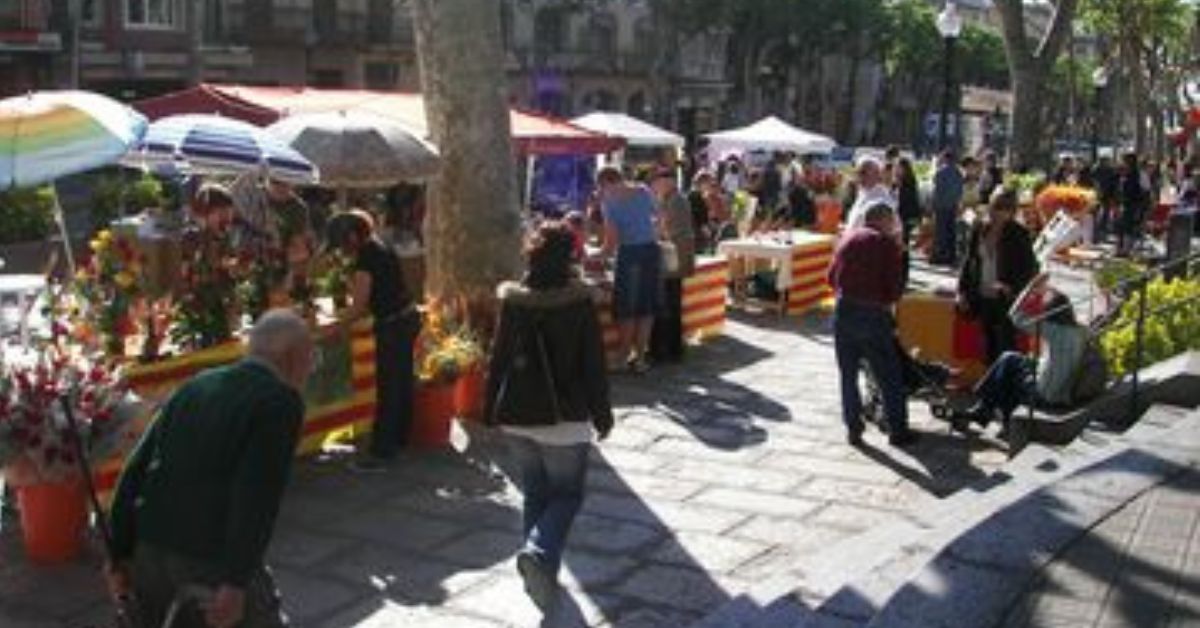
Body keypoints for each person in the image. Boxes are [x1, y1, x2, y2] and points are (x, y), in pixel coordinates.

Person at [108, 309, 314, 628]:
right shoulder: (279, 401)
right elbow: (256, 497)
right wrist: (235, 583)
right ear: (293, 358)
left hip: (149, 550)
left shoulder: (197, 384)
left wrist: (117, 554)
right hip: (207, 560)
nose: (311, 369)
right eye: (311, 358)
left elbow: (135, 469)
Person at [484, 222, 614, 614]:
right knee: (567, 495)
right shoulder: (579, 303)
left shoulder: (514, 300)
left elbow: (498, 357)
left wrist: (489, 407)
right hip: (565, 417)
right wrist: (602, 413)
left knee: (535, 492)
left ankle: (540, 570)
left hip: (518, 414)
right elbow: (593, 365)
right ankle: (539, 554)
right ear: (569, 257)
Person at [327, 210, 419, 470]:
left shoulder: (366, 258)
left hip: (393, 324)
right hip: (407, 317)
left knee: (389, 386)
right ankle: (400, 439)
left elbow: (358, 307)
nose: (341, 250)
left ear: (352, 237)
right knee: (401, 382)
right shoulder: (380, 246)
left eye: (341, 243)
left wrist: (335, 326)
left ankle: (382, 451)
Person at [828, 203, 919, 448]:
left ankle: (853, 428)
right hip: (872, 314)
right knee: (888, 375)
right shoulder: (886, 244)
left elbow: (831, 278)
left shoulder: (848, 239)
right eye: (893, 222)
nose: (895, 227)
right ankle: (897, 430)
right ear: (884, 220)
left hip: (844, 311)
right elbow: (895, 290)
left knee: (848, 376)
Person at [960, 275, 1088, 437]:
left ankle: (986, 409)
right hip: (1062, 392)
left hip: (1046, 394)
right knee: (1011, 361)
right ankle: (986, 411)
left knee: (1008, 369)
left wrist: (1029, 289)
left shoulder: (1053, 330)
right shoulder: (1081, 332)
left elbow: (1015, 316)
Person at [957, 189, 1038, 365]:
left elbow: (1029, 269)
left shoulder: (1019, 234)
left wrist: (1011, 287)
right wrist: (961, 291)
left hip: (1005, 301)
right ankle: (991, 379)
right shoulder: (979, 228)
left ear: (1011, 211)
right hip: (981, 296)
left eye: (1003, 208)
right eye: (994, 206)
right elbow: (968, 261)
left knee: (1006, 348)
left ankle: (1006, 380)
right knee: (987, 348)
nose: (996, 212)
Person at [597, 166, 660, 372]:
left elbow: (611, 242)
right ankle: (640, 359)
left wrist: (596, 255)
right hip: (651, 251)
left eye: (602, 187)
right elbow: (658, 217)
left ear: (606, 183)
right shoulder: (643, 190)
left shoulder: (609, 202)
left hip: (630, 254)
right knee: (645, 308)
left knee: (628, 309)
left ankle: (623, 358)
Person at [649, 167, 696, 363]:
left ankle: (667, 349)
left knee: (668, 305)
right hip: (673, 259)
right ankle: (671, 348)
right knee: (670, 304)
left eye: (656, 182)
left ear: (667, 181)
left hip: (673, 260)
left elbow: (669, 231)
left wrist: (655, 231)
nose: (654, 187)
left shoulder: (676, 201)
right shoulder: (669, 199)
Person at [930, 150, 964, 266]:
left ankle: (939, 255)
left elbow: (936, 189)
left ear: (945, 158)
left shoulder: (940, 172)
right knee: (951, 231)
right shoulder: (959, 173)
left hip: (941, 205)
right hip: (953, 205)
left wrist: (933, 205)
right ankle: (951, 256)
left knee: (940, 231)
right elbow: (960, 191)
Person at [845, 155, 896, 231]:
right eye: (857, 172)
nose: (859, 177)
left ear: (877, 174)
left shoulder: (882, 199)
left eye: (863, 173)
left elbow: (884, 231)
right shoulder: (863, 193)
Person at [1117, 152, 1150, 256]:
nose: (1124, 163)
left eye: (1125, 161)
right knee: (1122, 226)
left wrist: (1143, 207)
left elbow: (1146, 191)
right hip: (1125, 203)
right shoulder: (1124, 174)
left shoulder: (1140, 174)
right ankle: (1122, 249)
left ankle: (1127, 250)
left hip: (1135, 204)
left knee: (1130, 227)